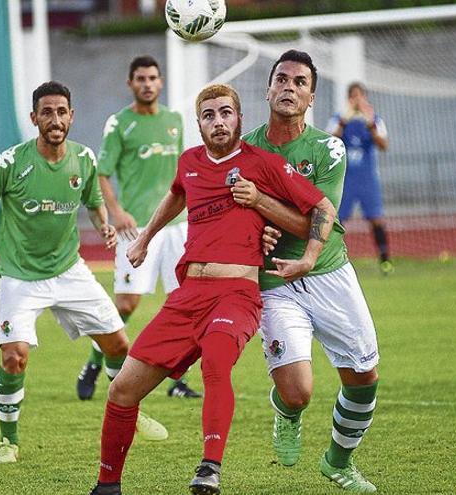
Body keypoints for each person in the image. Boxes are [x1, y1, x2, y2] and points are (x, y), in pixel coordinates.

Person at [89, 83, 336, 495]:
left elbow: (321, 209)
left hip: (235, 295)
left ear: (239, 118)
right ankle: (107, 486)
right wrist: (146, 238)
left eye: (226, 113)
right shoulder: (189, 162)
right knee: (122, 389)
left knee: (215, 365)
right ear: (198, 122)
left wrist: (307, 255)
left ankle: (210, 467)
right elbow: (175, 196)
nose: (218, 122)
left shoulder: (263, 164)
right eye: (209, 115)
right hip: (186, 298)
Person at [0, 81, 166, 464]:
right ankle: (8, 441)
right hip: (20, 277)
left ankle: (129, 412)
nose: (55, 119)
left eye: (62, 111)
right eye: (47, 112)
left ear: (72, 116)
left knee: (119, 345)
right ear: (34, 118)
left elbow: (94, 201)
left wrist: (103, 225)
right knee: (14, 357)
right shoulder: (10, 163)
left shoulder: (83, 159)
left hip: (69, 272)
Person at [237, 50, 381, 492]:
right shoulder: (245, 151)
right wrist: (252, 233)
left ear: (311, 96)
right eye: (281, 79)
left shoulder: (328, 148)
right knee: (297, 391)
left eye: (300, 82)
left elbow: (315, 219)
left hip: (329, 272)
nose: (289, 87)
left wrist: (263, 208)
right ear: (267, 89)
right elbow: (233, 215)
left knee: (363, 378)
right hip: (275, 280)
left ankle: (338, 462)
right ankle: (287, 414)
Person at [76, 55, 200, 401]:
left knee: (185, 302)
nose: (147, 84)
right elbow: (101, 173)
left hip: (177, 226)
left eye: (152, 78)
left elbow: (182, 173)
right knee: (127, 304)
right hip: (136, 228)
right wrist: (116, 211)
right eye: (140, 78)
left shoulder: (175, 121)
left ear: (160, 83)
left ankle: (178, 380)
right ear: (130, 84)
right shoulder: (119, 124)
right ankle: (94, 361)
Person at [327, 81, 393, 275]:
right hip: (345, 179)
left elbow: (383, 145)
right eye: (353, 96)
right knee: (338, 222)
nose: (357, 100)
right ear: (349, 99)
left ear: (365, 97)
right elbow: (330, 141)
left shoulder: (375, 120)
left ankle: (385, 261)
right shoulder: (339, 119)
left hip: (367, 179)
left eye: (360, 96)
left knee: (376, 219)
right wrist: (344, 120)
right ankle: (333, 262)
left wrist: (370, 122)